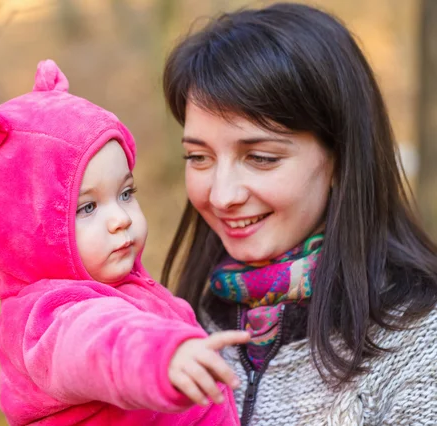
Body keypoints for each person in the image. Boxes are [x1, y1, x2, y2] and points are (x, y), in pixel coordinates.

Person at [160, 3, 437, 425]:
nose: (221, 195)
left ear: (341, 158)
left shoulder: (421, 340)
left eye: (262, 158)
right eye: (198, 157)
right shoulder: (165, 330)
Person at [0, 59, 249, 425]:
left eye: (125, 193)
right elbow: (98, 342)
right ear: (21, 230)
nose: (120, 219)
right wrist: (161, 357)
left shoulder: (117, 287)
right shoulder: (47, 317)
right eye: (87, 207)